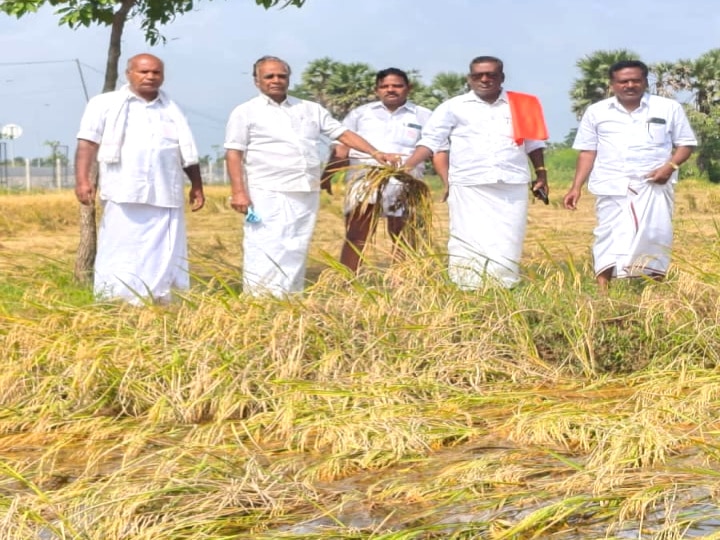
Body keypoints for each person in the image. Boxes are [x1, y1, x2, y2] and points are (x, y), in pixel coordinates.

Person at [224, 56, 397, 296]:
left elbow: (343, 134)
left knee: (296, 244)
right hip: (268, 190)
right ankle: (260, 298)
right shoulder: (245, 112)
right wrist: (239, 192)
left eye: (281, 76)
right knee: (265, 244)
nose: (276, 81)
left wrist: (375, 152)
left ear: (288, 78)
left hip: (305, 189)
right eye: (269, 76)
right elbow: (233, 153)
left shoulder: (309, 109)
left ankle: (290, 296)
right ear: (257, 81)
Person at [403, 56, 549, 289]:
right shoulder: (453, 106)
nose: (485, 79)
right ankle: (468, 286)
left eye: (491, 74)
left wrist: (541, 174)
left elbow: (533, 143)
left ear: (502, 77)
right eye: (478, 75)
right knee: (467, 236)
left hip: (511, 182)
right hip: (469, 183)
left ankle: (504, 286)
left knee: (508, 237)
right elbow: (431, 141)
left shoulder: (523, 104)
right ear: (469, 78)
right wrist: (406, 167)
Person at [75, 53, 205, 304]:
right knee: (121, 246)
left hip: (166, 192)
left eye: (156, 72)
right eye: (143, 72)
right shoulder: (104, 104)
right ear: (129, 74)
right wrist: (82, 180)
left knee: (164, 251)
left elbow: (186, 151)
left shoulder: (172, 109)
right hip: (123, 191)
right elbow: (87, 143)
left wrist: (196, 185)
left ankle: (161, 298)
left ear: (162, 76)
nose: (150, 76)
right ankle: (116, 297)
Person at [563, 60, 697, 289]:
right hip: (611, 184)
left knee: (655, 235)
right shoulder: (597, 111)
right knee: (608, 235)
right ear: (613, 84)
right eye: (623, 81)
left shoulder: (668, 108)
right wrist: (576, 187)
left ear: (645, 81)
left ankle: (653, 290)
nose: (630, 85)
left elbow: (686, 144)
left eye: (636, 80)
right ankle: (603, 292)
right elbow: (587, 151)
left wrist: (670, 167)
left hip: (654, 185)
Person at [321, 68, 433, 272]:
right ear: (377, 90)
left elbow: (436, 148)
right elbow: (342, 146)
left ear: (408, 88)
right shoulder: (360, 114)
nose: (390, 90)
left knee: (404, 234)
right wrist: (327, 175)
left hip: (406, 182)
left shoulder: (423, 115)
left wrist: (446, 179)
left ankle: (404, 283)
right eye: (385, 86)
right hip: (365, 180)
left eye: (397, 85)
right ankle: (348, 280)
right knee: (356, 234)